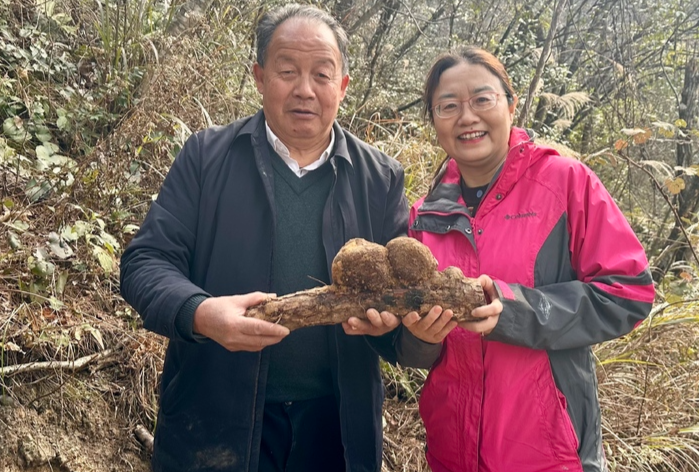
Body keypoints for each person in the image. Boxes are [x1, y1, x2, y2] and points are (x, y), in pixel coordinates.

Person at [119, 5, 440, 472]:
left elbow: (402, 313)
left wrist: (414, 333)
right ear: (259, 76)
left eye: (322, 74)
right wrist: (201, 313)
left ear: (343, 86)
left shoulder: (380, 178)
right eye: (287, 71)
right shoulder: (207, 158)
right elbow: (145, 262)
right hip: (214, 419)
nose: (304, 89)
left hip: (336, 429)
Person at [404, 46, 655, 472]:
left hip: (550, 455)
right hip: (451, 453)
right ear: (434, 120)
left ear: (511, 103)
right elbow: (415, 355)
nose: (467, 117)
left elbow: (629, 292)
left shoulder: (565, 183)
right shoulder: (423, 217)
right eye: (448, 106)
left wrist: (514, 310)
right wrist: (420, 338)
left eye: (482, 99)